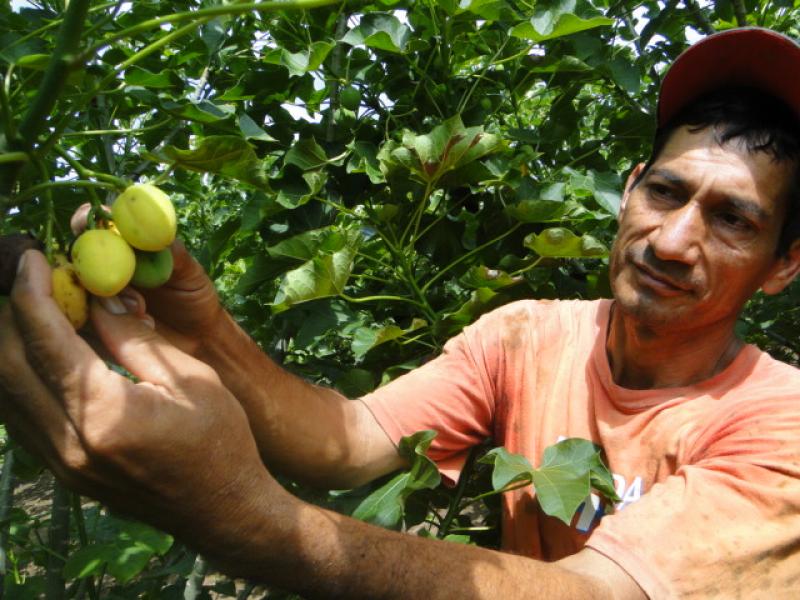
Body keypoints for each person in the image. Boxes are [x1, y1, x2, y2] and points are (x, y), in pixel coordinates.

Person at [1, 26, 800, 599]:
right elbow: (345, 442)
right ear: (629, 191)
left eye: (734, 220)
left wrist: (238, 513)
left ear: (784, 266)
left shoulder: (782, 426)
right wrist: (203, 328)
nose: (673, 240)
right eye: (665, 192)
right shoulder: (527, 335)